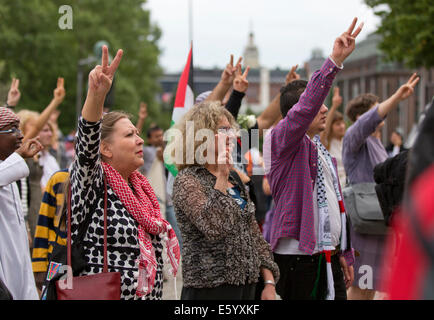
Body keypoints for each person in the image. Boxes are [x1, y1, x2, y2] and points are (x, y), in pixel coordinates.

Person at [69, 45, 180, 300]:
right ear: (105, 148)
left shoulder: (140, 188)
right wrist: (96, 96)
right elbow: (86, 142)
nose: (140, 140)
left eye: (137, 133)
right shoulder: (93, 182)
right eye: (130, 135)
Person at [265, 18, 363, 300]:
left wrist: (341, 250)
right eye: (317, 106)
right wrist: (333, 61)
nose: (323, 110)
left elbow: (335, 204)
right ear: (300, 113)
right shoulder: (281, 140)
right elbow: (306, 105)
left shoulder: (318, 147)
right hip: (298, 257)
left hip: (326, 254)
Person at [171, 101, 279, 300]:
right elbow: (213, 225)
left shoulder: (234, 178)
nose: (231, 136)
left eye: (231, 130)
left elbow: (253, 233)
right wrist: (221, 175)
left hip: (247, 287)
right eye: (223, 130)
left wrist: (269, 282)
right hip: (209, 289)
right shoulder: (187, 180)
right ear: (200, 137)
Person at [342, 73, 419, 300]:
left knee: (372, 286)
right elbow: (368, 121)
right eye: (378, 109)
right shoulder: (354, 139)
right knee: (361, 286)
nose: (383, 112)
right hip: (364, 223)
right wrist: (396, 97)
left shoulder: (376, 143)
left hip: (379, 222)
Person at [0, 106, 43, 300]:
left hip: (18, 261)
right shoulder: (8, 170)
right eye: (13, 129)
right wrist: (19, 157)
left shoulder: (9, 172)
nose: (20, 135)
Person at [32, 169, 69, 292]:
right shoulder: (59, 179)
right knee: (57, 294)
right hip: (58, 258)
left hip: (86, 261)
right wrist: (39, 264)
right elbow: (43, 223)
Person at [320, 87, 347, 186]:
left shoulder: (346, 141)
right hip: (335, 185)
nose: (342, 126)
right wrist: (334, 107)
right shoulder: (327, 143)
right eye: (338, 124)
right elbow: (324, 131)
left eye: (342, 123)